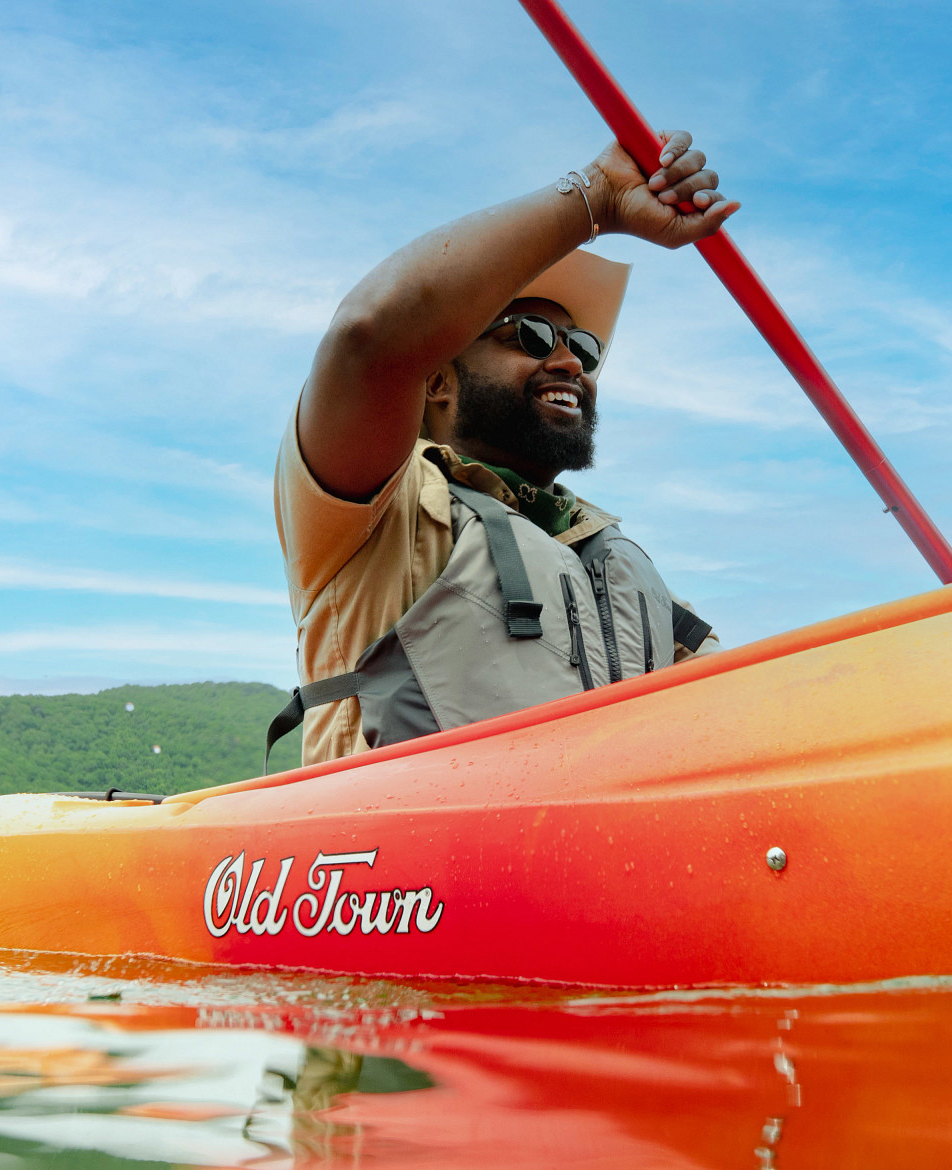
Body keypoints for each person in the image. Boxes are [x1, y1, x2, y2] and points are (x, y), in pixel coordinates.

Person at [269, 131, 739, 769]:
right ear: (435, 379)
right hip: (414, 864)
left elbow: (747, 704)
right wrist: (596, 199)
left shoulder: (608, 558)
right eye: (532, 336)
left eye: (587, 350)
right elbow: (369, 337)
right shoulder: (377, 514)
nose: (571, 360)